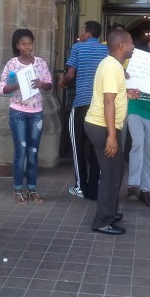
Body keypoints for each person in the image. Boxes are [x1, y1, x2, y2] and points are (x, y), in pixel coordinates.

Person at [85, 29, 139, 235]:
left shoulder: (113, 65)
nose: (134, 47)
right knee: (111, 175)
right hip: (102, 126)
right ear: (122, 46)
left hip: (102, 125)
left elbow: (112, 95)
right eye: (132, 43)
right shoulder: (111, 67)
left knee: (115, 171)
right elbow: (108, 101)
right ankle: (102, 221)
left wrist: (126, 93)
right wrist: (112, 136)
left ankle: (110, 211)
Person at [0, 29, 52, 204]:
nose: (27, 46)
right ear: (17, 46)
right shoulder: (12, 64)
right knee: (20, 151)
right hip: (18, 111)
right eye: (23, 43)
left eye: (29, 43)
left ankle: (32, 189)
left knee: (33, 151)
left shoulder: (40, 63)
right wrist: (15, 84)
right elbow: (2, 89)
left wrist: (41, 84)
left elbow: (49, 84)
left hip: (36, 112)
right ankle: (17, 190)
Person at [58, 21, 108, 200]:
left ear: (87, 33)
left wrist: (62, 82)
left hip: (81, 104)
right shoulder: (106, 50)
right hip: (101, 106)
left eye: (82, 30)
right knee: (97, 147)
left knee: (77, 146)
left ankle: (80, 187)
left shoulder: (78, 48)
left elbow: (70, 75)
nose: (80, 33)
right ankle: (94, 189)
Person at [125, 31, 150, 209]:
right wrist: (124, 74)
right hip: (135, 108)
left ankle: (146, 189)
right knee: (138, 144)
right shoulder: (136, 61)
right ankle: (133, 185)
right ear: (148, 43)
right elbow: (121, 74)